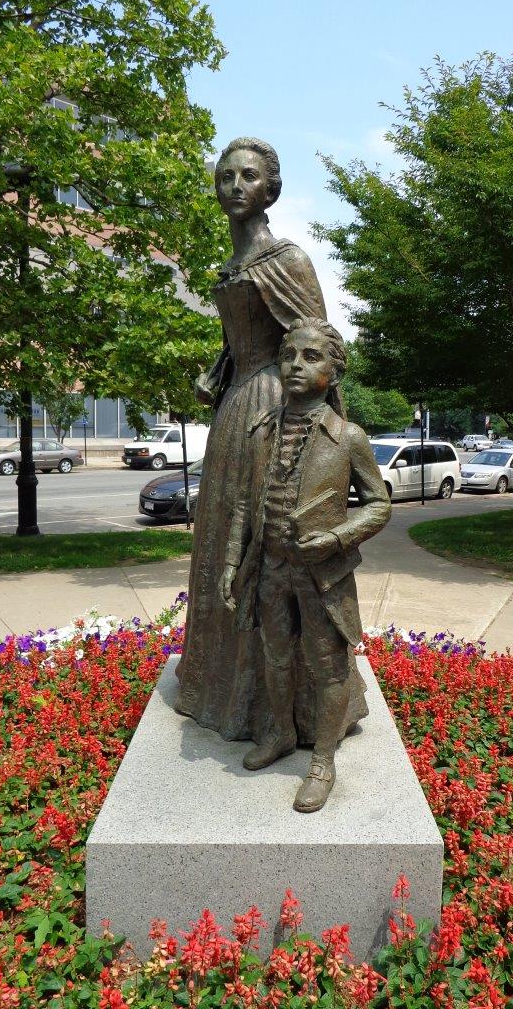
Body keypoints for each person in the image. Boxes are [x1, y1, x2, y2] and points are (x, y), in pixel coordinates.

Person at [175, 138, 359, 744]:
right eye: (225, 175)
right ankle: (223, 690)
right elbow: (246, 339)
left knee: (270, 546)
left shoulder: (289, 260)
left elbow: (313, 343)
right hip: (234, 409)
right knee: (225, 535)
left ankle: (294, 716)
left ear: (270, 188)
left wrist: (329, 445)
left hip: (277, 406)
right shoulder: (231, 264)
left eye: (248, 176)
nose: (234, 185)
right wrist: (218, 368)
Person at [219, 319, 391, 812]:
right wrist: (233, 561)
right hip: (270, 569)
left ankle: (322, 760)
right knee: (275, 656)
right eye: (289, 355)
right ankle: (279, 733)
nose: (296, 365)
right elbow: (244, 506)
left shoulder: (349, 438)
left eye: (311, 357)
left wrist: (337, 537)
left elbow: (379, 505)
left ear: (335, 371)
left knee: (328, 665)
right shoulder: (262, 430)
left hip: (322, 576)